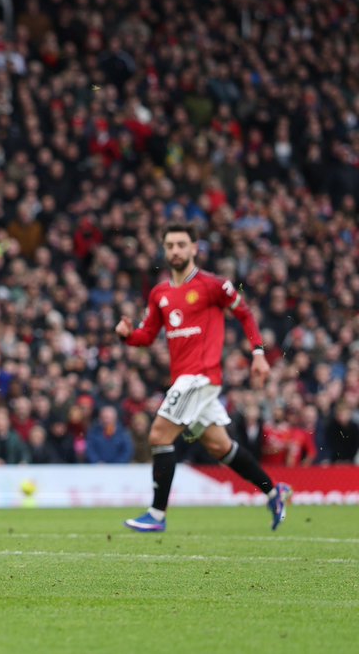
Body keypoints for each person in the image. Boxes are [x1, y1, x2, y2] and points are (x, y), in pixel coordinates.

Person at [115, 222, 290, 533]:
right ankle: (274, 492)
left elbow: (245, 313)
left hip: (202, 377)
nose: (176, 251)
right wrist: (128, 336)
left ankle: (157, 514)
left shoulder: (214, 285)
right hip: (185, 379)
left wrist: (259, 354)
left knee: (158, 436)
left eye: (182, 244)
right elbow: (147, 335)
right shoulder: (160, 294)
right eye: (170, 246)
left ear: (195, 248)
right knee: (220, 446)